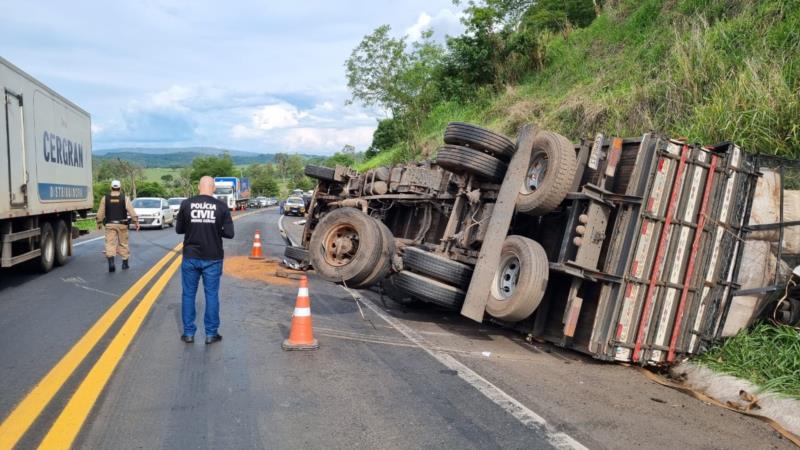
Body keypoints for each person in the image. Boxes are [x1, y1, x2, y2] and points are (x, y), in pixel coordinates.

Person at [175, 176, 234, 344]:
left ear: (198, 187)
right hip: (213, 258)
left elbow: (179, 230)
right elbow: (230, 233)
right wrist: (216, 230)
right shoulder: (221, 207)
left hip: (191, 257)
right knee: (211, 295)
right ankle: (211, 333)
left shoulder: (186, 204)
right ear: (213, 188)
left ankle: (188, 333)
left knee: (188, 294)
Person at [96, 180, 139, 272]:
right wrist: (136, 221)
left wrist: (99, 222)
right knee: (123, 243)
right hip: (122, 224)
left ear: (111, 187)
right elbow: (131, 211)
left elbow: (100, 213)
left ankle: (111, 263)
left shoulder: (105, 198)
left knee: (110, 243)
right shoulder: (125, 198)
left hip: (110, 224)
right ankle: (124, 264)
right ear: (120, 188)